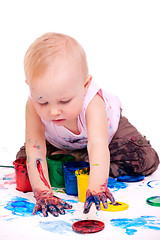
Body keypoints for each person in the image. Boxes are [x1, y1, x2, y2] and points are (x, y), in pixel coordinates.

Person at [16, 32, 159, 217]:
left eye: (65, 101)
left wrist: (96, 187)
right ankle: (78, 160)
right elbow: (35, 149)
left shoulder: (93, 102)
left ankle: (79, 162)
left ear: (85, 85)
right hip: (59, 142)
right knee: (23, 160)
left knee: (144, 159)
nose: (53, 112)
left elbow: (97, 145)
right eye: (43, 102)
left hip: (106, 136)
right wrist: (43, 193)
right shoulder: (32, 104)